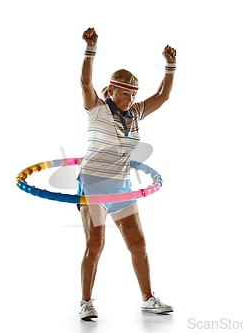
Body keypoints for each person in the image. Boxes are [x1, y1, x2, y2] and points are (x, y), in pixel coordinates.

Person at [77, 27, 176, 320]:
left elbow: (163, 95)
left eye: (133, 94)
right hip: (93, 186)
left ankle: (148, 299)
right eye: (125, 94)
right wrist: (90, 49)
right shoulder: (97, 109)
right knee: (95, 244)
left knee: (138, 243)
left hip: (121, 186)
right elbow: (85, 82)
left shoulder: (134, 114)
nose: (131, 99)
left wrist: (170, 65)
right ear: (113, 90)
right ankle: (85, 302)